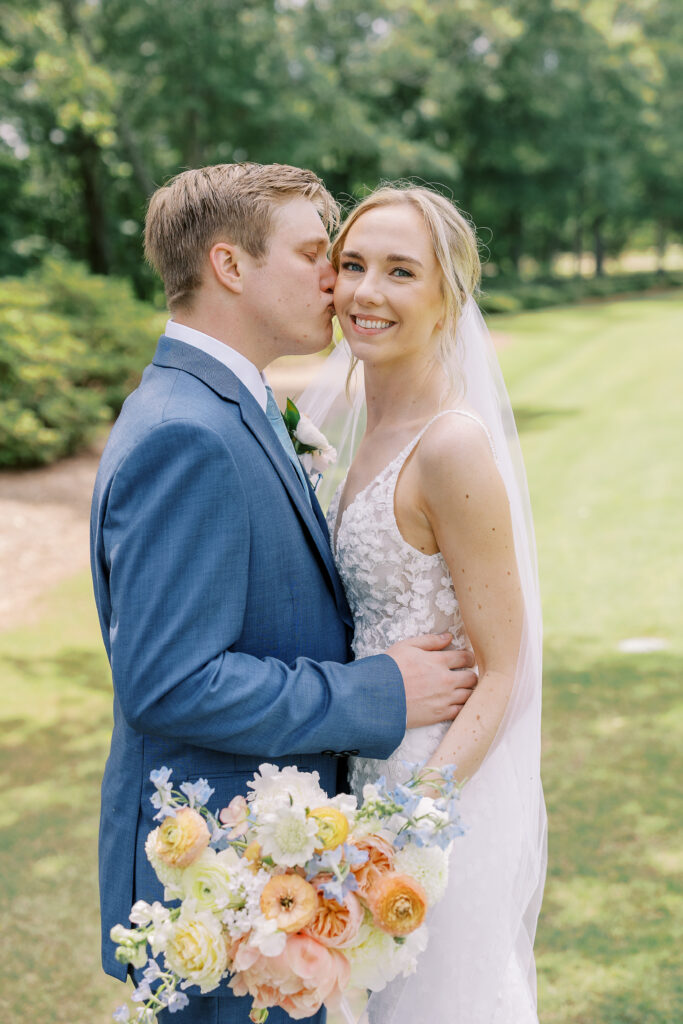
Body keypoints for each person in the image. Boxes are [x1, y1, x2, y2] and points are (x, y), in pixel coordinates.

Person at [89, 164, 479, 1024]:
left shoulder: (232, 404)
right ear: (230, 267)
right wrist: (379, 691)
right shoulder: (187, 433)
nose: (334, 281)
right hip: (217, 882)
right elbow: (170, 682)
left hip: (271, 884)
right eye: (314, 254)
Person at [304, 184, 546, 1023]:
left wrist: (407, 821)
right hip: (358, 774)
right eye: (353, 265)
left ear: (448, 298)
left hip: (433, 796)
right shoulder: (345, 423)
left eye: (401, 271)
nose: (367, 292)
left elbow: (507, 668)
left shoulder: (449, 445)